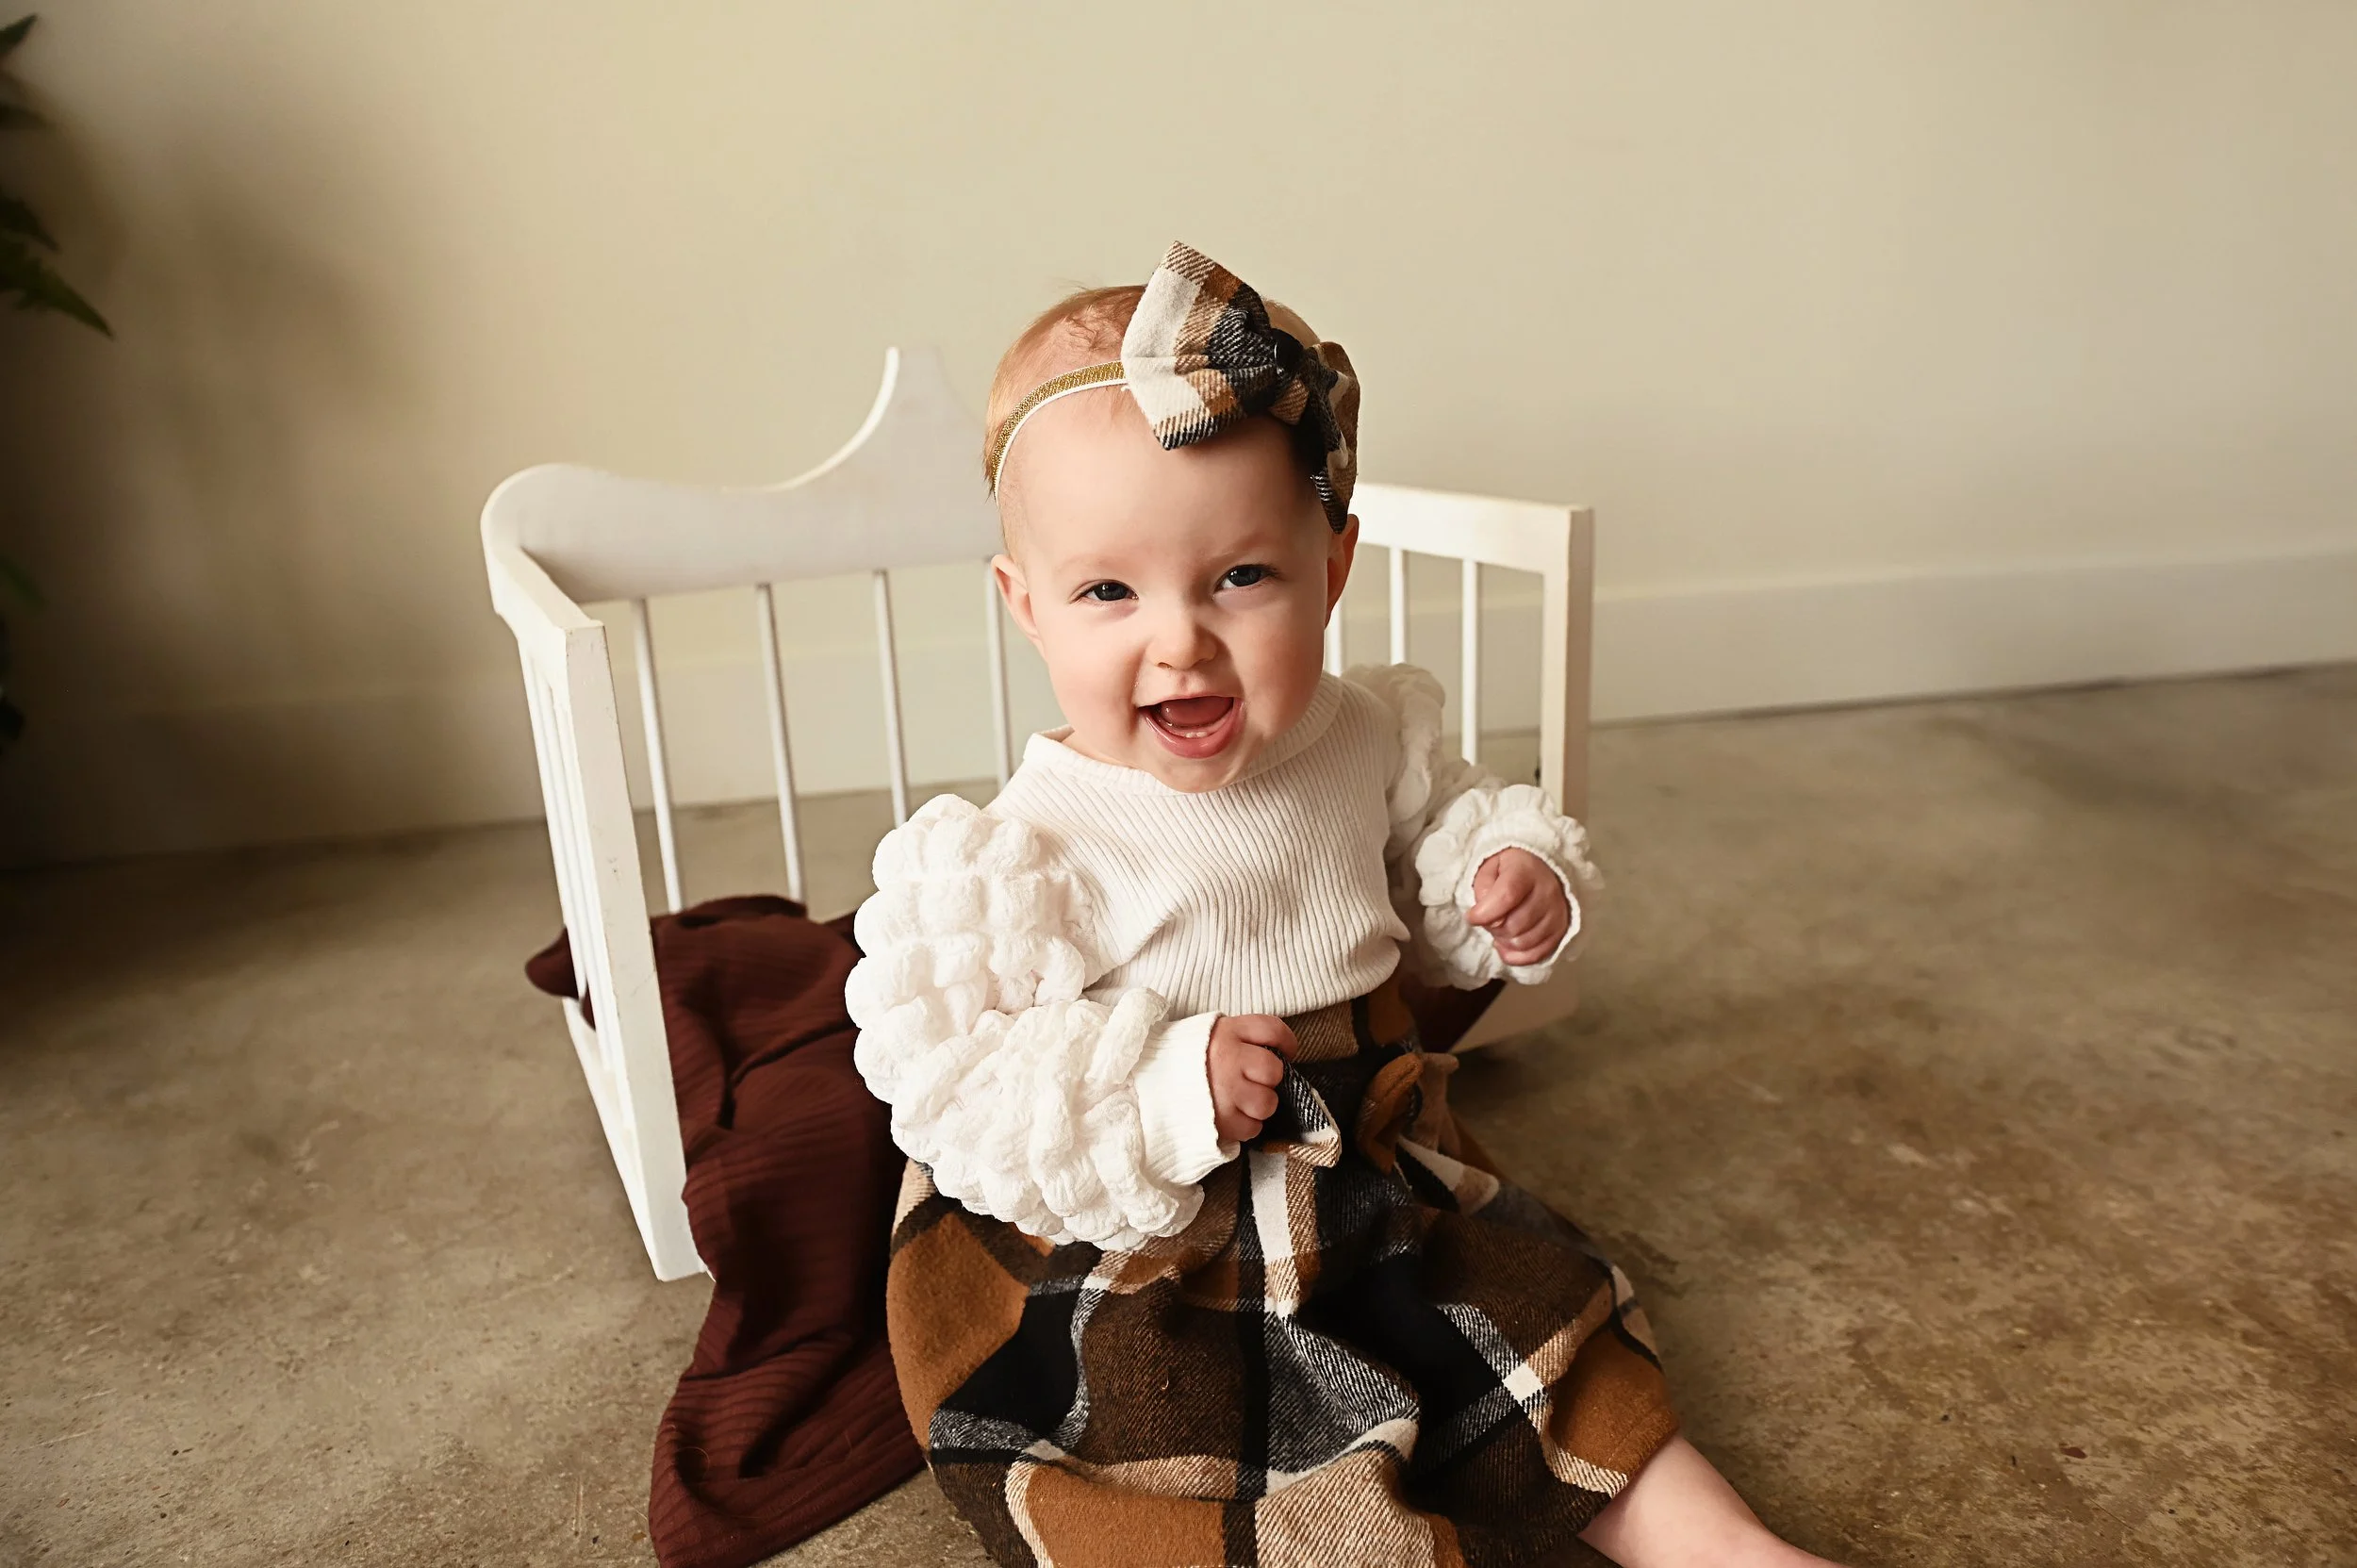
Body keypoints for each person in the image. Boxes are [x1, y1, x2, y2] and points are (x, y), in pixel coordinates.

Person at [847, 242, 1844, 1568]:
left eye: (1239, 577)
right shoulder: (1030, 849)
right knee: (1230, 1457)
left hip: (1371, 1165)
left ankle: (1718, 1542)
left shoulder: (1360, 729)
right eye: (1108, 591)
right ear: (1026, 607)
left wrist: (1496, 878)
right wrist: (1159, 1086)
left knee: (1538, 1352)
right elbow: (966, 1082)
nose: (1180, 638)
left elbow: (1432, 829)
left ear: (1335, 560)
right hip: (1158, 1226)